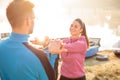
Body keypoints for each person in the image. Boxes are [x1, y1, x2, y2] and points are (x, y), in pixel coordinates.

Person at [0, 0, 55, 80]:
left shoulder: (1, 47)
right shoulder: (40, 56)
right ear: (28, 20)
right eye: (34, 18)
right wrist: (54, 55)